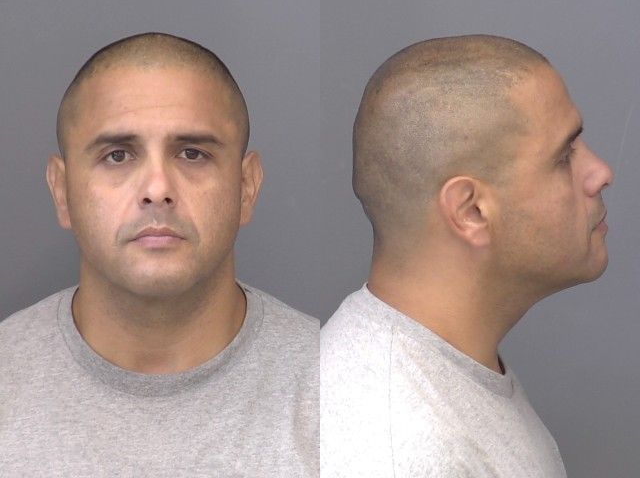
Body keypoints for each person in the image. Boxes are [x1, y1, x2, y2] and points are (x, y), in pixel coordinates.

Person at [0, 32, 318, 477]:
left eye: (192, 153)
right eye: (117, 156)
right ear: (62, 191)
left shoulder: (337, 388)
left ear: (246, 187)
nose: (157, 189)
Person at [321, 34, 612, 477]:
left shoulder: (440, 378)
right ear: (471, 211)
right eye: (564, 156)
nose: (600, 173)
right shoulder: (403, 451)